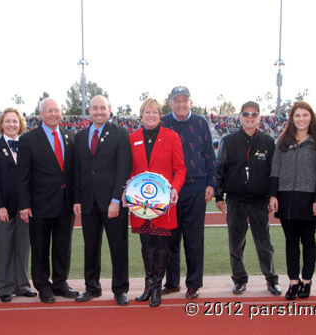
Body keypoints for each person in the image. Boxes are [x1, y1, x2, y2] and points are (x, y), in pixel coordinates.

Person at [124, 98, 186, 307]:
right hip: (140, 203)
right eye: (147, 112)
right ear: (141, 115)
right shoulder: (131, 138)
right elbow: (129, 170)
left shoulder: (171, 137)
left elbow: (180, 168)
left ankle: (157, 287)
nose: (151, 115)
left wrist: (175, 188)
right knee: (146, 244)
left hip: (163, 203)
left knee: (161, 245)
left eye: (154, 112)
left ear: (160, 115)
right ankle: (148, 285)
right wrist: (127, 190)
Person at [215, 101, 281, 296]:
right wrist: (219, 195)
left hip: (259, 201)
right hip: (235, 201)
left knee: (264, 243)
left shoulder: (268, 142)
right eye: (246, 114)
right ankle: (239, 280)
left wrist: (273, 196)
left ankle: (271, 279)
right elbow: (220, 170)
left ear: (259, 117)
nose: (250, 117)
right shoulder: (228, 141)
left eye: (254, 114)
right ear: (240, 117)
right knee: (235, 243)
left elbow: (274, 174)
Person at [17, 98, 79, 303]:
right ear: (41, 114)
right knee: (40, 247)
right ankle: (43, 285)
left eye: (57, 110)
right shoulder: (28, 140)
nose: (54, 114)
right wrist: (24, 204)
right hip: (39, 204)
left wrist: (76, 198)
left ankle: (61, 283)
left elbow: (74, 172)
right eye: (49, 111)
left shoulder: (71, 136)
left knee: (63, 246)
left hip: (65, 202)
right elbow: (22, 176)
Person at [73, 95, 132, 306]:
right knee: (91, 246)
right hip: (88, 201)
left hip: (112, 202)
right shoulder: (79, 136)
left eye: (103, 108)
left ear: (109, 110)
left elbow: (123, 168)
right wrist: (77, 199)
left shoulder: (120, 134)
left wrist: (116, 198)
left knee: (118, 246)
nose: (99, 111)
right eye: (95, 108)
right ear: (89, 111)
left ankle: (120, 289)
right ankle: (92, 287)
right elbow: (77, 170)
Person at [269, 101, 316, 299]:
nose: (301, 119)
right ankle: (293, 282)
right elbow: (275, 170)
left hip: (309, 197)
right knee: (291, 241)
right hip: (286, 196)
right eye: (297, 115)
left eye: (305, 115)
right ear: (292, 118)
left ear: (311, 117)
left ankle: (307, 281)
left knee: (309, 240)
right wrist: (273, 195)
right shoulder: (283, 141)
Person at [161, 86, 216, 299]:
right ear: (170, 103)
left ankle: (193, 284)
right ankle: (172, 282)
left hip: (196, 187)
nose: (181, 104)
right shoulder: (163, 122)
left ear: (190, 102)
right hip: (169, 190)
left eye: (185, 100)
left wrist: (211, 183)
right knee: (170, 238)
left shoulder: (201, 122)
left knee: (194, 239)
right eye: (177, 100)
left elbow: (210, 155)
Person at [0, 108, 36, 303]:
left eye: (15, 121)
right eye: (8, 121)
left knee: (23, 248)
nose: (12, 125)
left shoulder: (27, 146)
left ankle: (22, 285)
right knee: (4, 248)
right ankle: (5, 287)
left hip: (24, 207)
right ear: (1, 124)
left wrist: (28, 204)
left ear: (20, 124)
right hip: (2, 209)